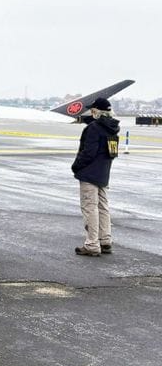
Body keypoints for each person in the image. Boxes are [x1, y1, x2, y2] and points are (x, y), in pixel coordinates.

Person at [72, 97, 120, 256]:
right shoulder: (113, 128)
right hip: (103, 174)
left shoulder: (94, 128)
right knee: (103, 207)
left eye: (93, 110)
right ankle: (105, 240)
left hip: (89, 174)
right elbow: (112, 154)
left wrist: (76, 165)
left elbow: (88, 153)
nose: (91, 113)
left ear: (98, 111)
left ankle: (92, 244)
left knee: (90, 208)